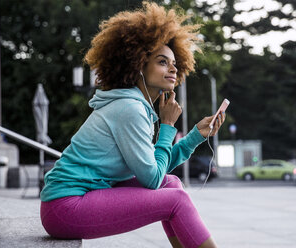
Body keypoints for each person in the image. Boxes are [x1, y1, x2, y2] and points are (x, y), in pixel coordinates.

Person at [40, 2, 226, 248]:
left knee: (172, 184)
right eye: (162, 61)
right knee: (176, 199)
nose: (173, 68)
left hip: (82, 196)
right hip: (65, 205)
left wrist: (194, 136)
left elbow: (153, 168)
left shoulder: (137, 106)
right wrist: (168, 126)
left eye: (174, 63)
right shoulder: (130, 109)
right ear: (139, 64)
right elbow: (151, 179)